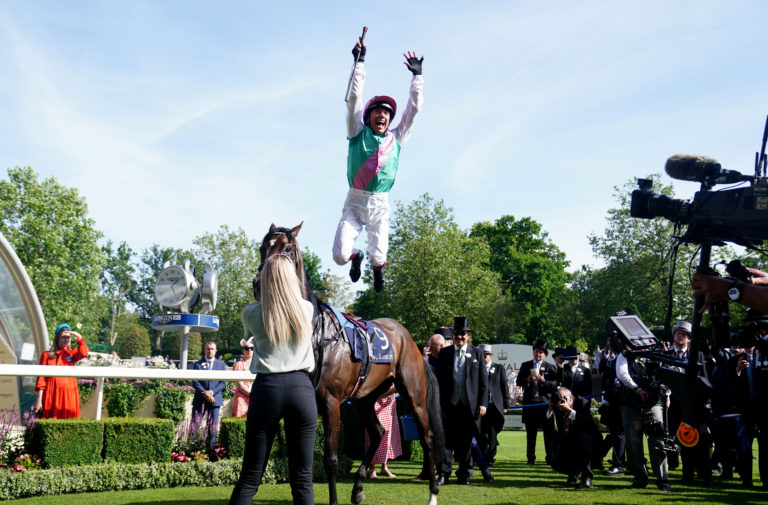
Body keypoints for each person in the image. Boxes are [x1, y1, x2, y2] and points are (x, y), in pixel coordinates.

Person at [332, 35, 424, 292]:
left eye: (386, 113)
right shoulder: (356, 132)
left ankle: (376, 267)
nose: (382, 115)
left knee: (379, 255)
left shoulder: (397, 138)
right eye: (377, 112)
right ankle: (356, 257)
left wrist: (417, 78)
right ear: (369, 116)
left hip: (380, 202)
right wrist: (359, 62)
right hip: (355, 200)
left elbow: (413, 111)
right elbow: (353, 101)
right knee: (339, 255)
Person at [230, 254, 316, 505]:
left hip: (267, 389)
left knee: (250, 476)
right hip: (301, 388)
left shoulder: (251, 313)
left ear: (264, 278)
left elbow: (248, 340)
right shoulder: (307, 309)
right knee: (302, 478)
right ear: (292, 278)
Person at [434, 316, 490, 485]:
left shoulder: (477, 354)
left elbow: (483, 382)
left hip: (468, 405)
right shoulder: (444, 353)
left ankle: (464, 474)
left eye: (462, 334)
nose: (459, 337)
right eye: (456, 334)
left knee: (466, 441)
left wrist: (483, 403)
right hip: (448, 404)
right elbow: (437, 380)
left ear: (468, 336)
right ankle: (443, 473)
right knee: (445, 441)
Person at [616, 342, 672, 492]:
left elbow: (667, 374)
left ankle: (662, 479)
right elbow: (621, 374)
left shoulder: (657, 354)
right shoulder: (625, 355)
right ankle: (640, 477)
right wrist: (637, 389)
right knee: (633, 441)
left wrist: (667, 394)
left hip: (653, 402)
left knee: (657, 438)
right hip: (630, 403)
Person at [547, 386, 602, 488]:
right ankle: (573, 472)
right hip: (570, 442)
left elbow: (587, 424)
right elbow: (549, 428)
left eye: (563, 397)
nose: (560, 400)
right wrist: (550, 409)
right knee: (554, 462)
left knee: (583, 438)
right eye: (558, 397)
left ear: (571, 398)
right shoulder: (557, 406)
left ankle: (587, 478)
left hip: (590, 442)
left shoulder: (582, 403)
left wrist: (570, 411)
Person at [516, 339, 558, 465]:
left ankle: (550, 457)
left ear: (545, 354)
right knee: (531, 433)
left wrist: (544, 381)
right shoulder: (525, 365)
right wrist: (528, 380)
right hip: (530, 405)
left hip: (545, 405)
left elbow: (555, 385)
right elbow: (519, 382)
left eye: (540, 352)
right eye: (536, 351)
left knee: (548, 433)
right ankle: (530, 458)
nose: (538, 354)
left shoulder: (550, 367)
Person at [34, 323, 89, 419]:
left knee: (68, 422)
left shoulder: (73, 354)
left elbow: (84, 353)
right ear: (57, 339)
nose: (66, 340)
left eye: (68, 337)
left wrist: (80, 338)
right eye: (63, 337)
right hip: (51, 393)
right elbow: (41, 379)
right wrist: (39, 399)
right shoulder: (46, 355)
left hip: (69, 393)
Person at [479, 344, 509, 466]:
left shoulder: (499, 368)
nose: (484, 357)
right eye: (481, 355)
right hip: (481, 406)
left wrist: (506, 404)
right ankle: (482, 455)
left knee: (492, 433)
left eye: (486, 355)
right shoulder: (476, 369)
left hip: (495, 406)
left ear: (491, 356)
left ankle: (490, 457)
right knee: (481, 433)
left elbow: (504, 387)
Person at [191, 341, 226, 445]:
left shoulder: (221, 364)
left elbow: (223, 383)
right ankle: (192, 450)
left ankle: (211, 451)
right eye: (208, 349)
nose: (210, 351)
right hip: (199, 400)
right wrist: (204, 393)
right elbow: (195, 381)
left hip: (215, 401)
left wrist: (211, 392)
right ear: (204, 350)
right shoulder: (197, 364)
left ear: (216, 351)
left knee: (213, 428)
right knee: (194, 427)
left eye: (212, 349)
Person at [365, 385, 402, 479]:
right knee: (373, 433)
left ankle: (384, 467)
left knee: (388, 434)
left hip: (389, 402)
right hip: (375, 400)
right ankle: (372, 469)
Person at [231, 337, 254, 418]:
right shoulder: (239, 364)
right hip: (242, 398)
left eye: (252, 348)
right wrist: (252, 394)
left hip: (255, 397)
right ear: (243, 350)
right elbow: (239, 385)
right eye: (247, 348)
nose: (250, 350)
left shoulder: (258, 364)